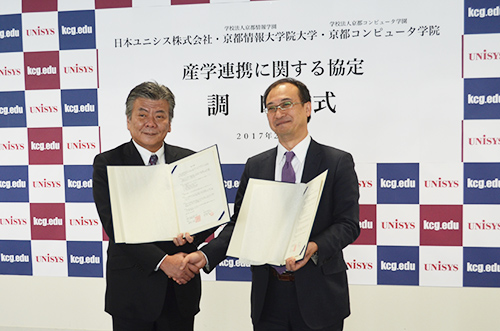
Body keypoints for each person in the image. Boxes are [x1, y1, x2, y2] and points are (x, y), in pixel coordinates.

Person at [182, 78, 360, 331]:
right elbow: (239, 224)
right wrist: (205, 254)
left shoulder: (337, 161)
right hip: (268, 295)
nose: (279, 113)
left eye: (287, 104)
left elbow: (348, 224)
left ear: (308, 108)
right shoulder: (256, 165)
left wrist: (314, 247)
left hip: (319, 294)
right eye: (271, 107)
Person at [92, 81, 213, 331]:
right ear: (128, 120)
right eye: (142, 114)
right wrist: (163, 261)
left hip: (181, 287)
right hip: (131, 291)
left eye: (160, 116)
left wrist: (194, 234)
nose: (151, 122)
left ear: (169, 124)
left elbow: (206, 215)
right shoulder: (108, 163)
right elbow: (116, 226)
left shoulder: (190, 160)